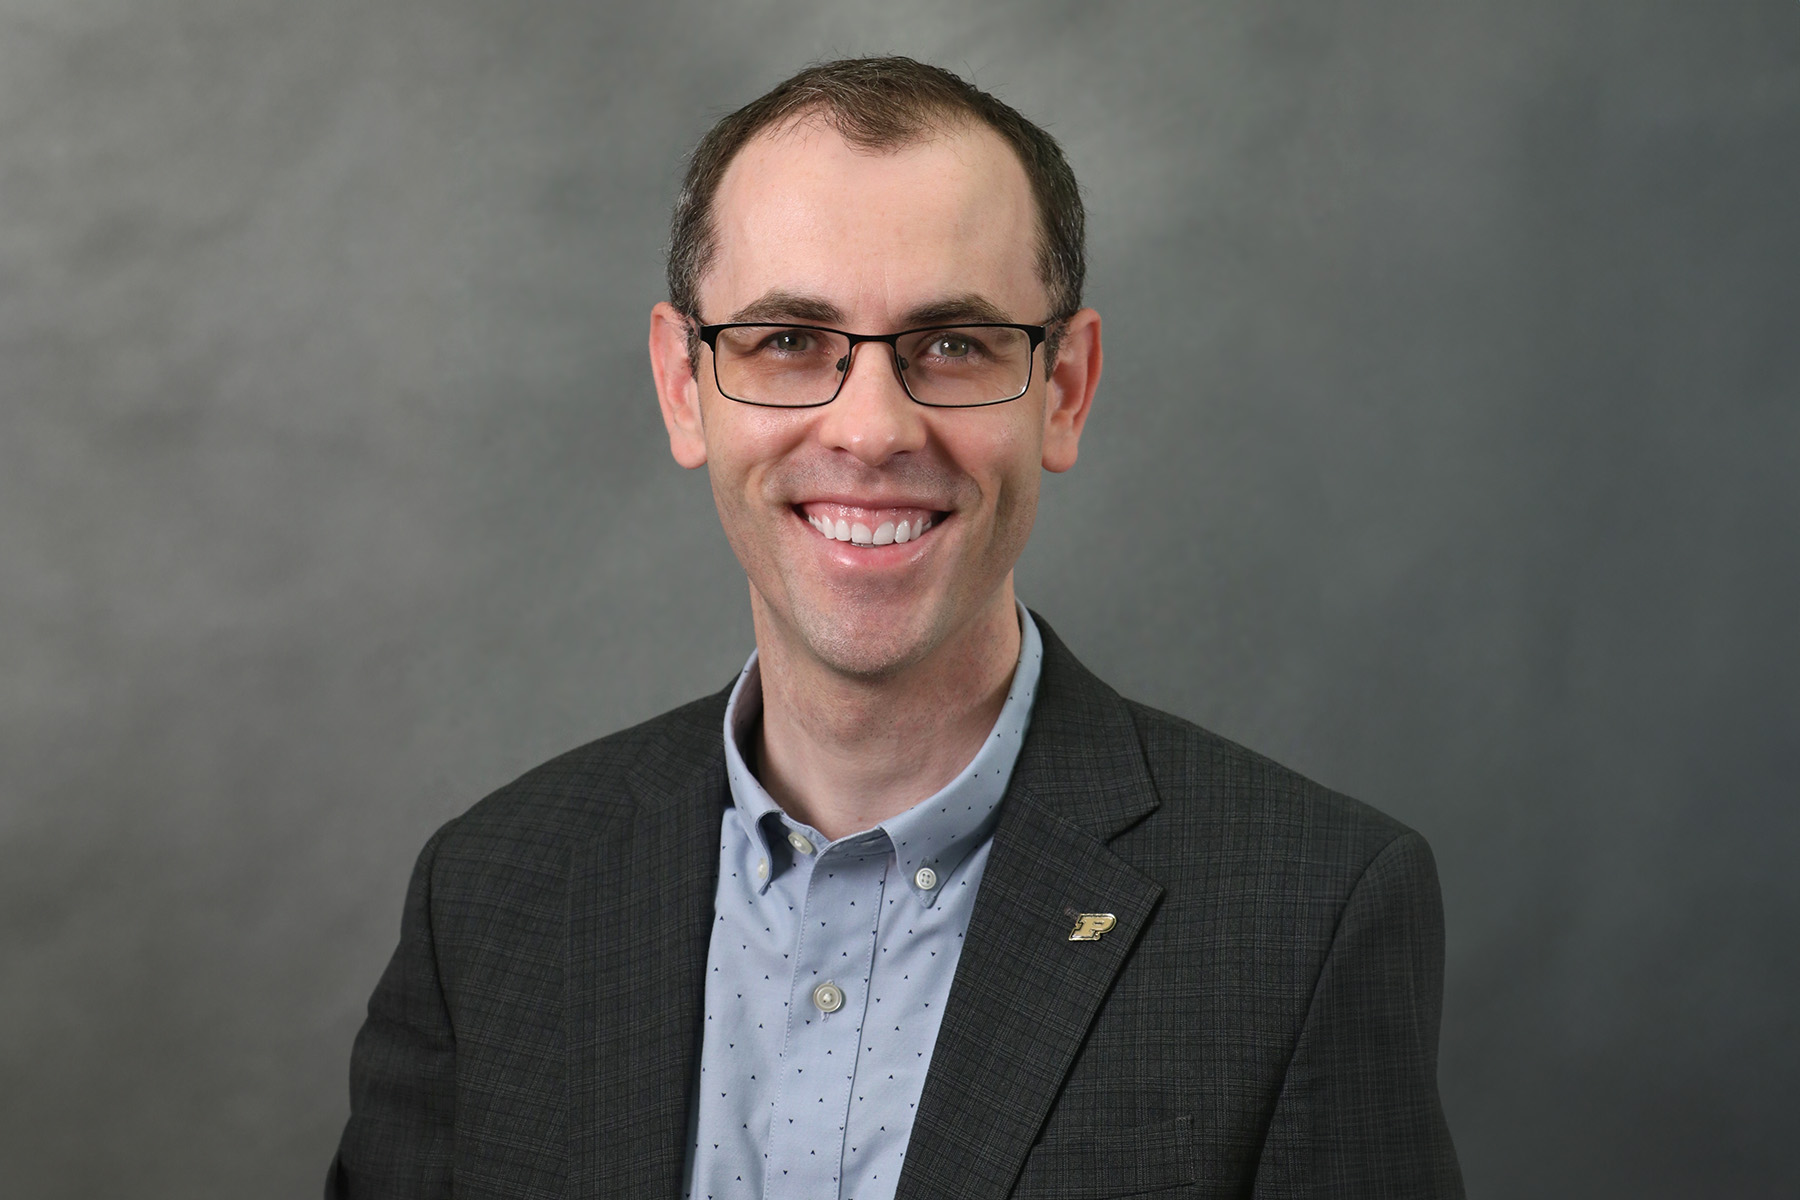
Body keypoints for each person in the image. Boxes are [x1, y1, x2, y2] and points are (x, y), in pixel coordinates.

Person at [328, 56, 1463, 1199]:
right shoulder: (493, 894)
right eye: (787, 340)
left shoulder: (1306, 917)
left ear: (1065, 389)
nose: (871, 430)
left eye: (955, 345)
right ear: (682, 385)